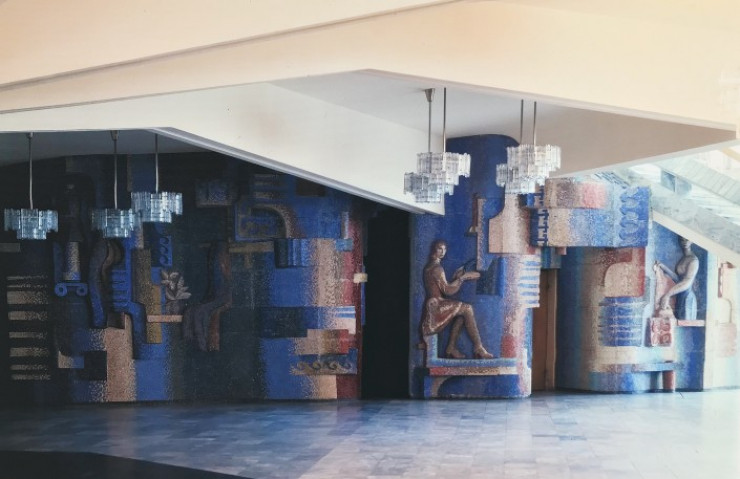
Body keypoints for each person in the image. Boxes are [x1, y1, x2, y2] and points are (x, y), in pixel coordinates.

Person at [420, 240, 493, 359]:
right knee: (467, 309)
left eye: (444, 249)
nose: (442, 252)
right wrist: (463, 278)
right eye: (439, 249)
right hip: (437, 306)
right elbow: (448, 290)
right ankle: (478, 347)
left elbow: (443, 286)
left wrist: (458, 278)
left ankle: (451, 347)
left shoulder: (429, 266)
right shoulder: (437, 268)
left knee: (463, 313)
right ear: (434, 249)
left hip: (434, 304)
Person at [654, 237, 699, 320]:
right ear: (679, 241)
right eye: (682, 240)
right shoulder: (683, 259)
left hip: (688, 299)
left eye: (687, 239)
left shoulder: (694, 260)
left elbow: (687, 282)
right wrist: (663, 267)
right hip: (679, 297)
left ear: (692, 240)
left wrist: (667, 295)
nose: (684, 242)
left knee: (685, 324)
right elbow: (678, 279)